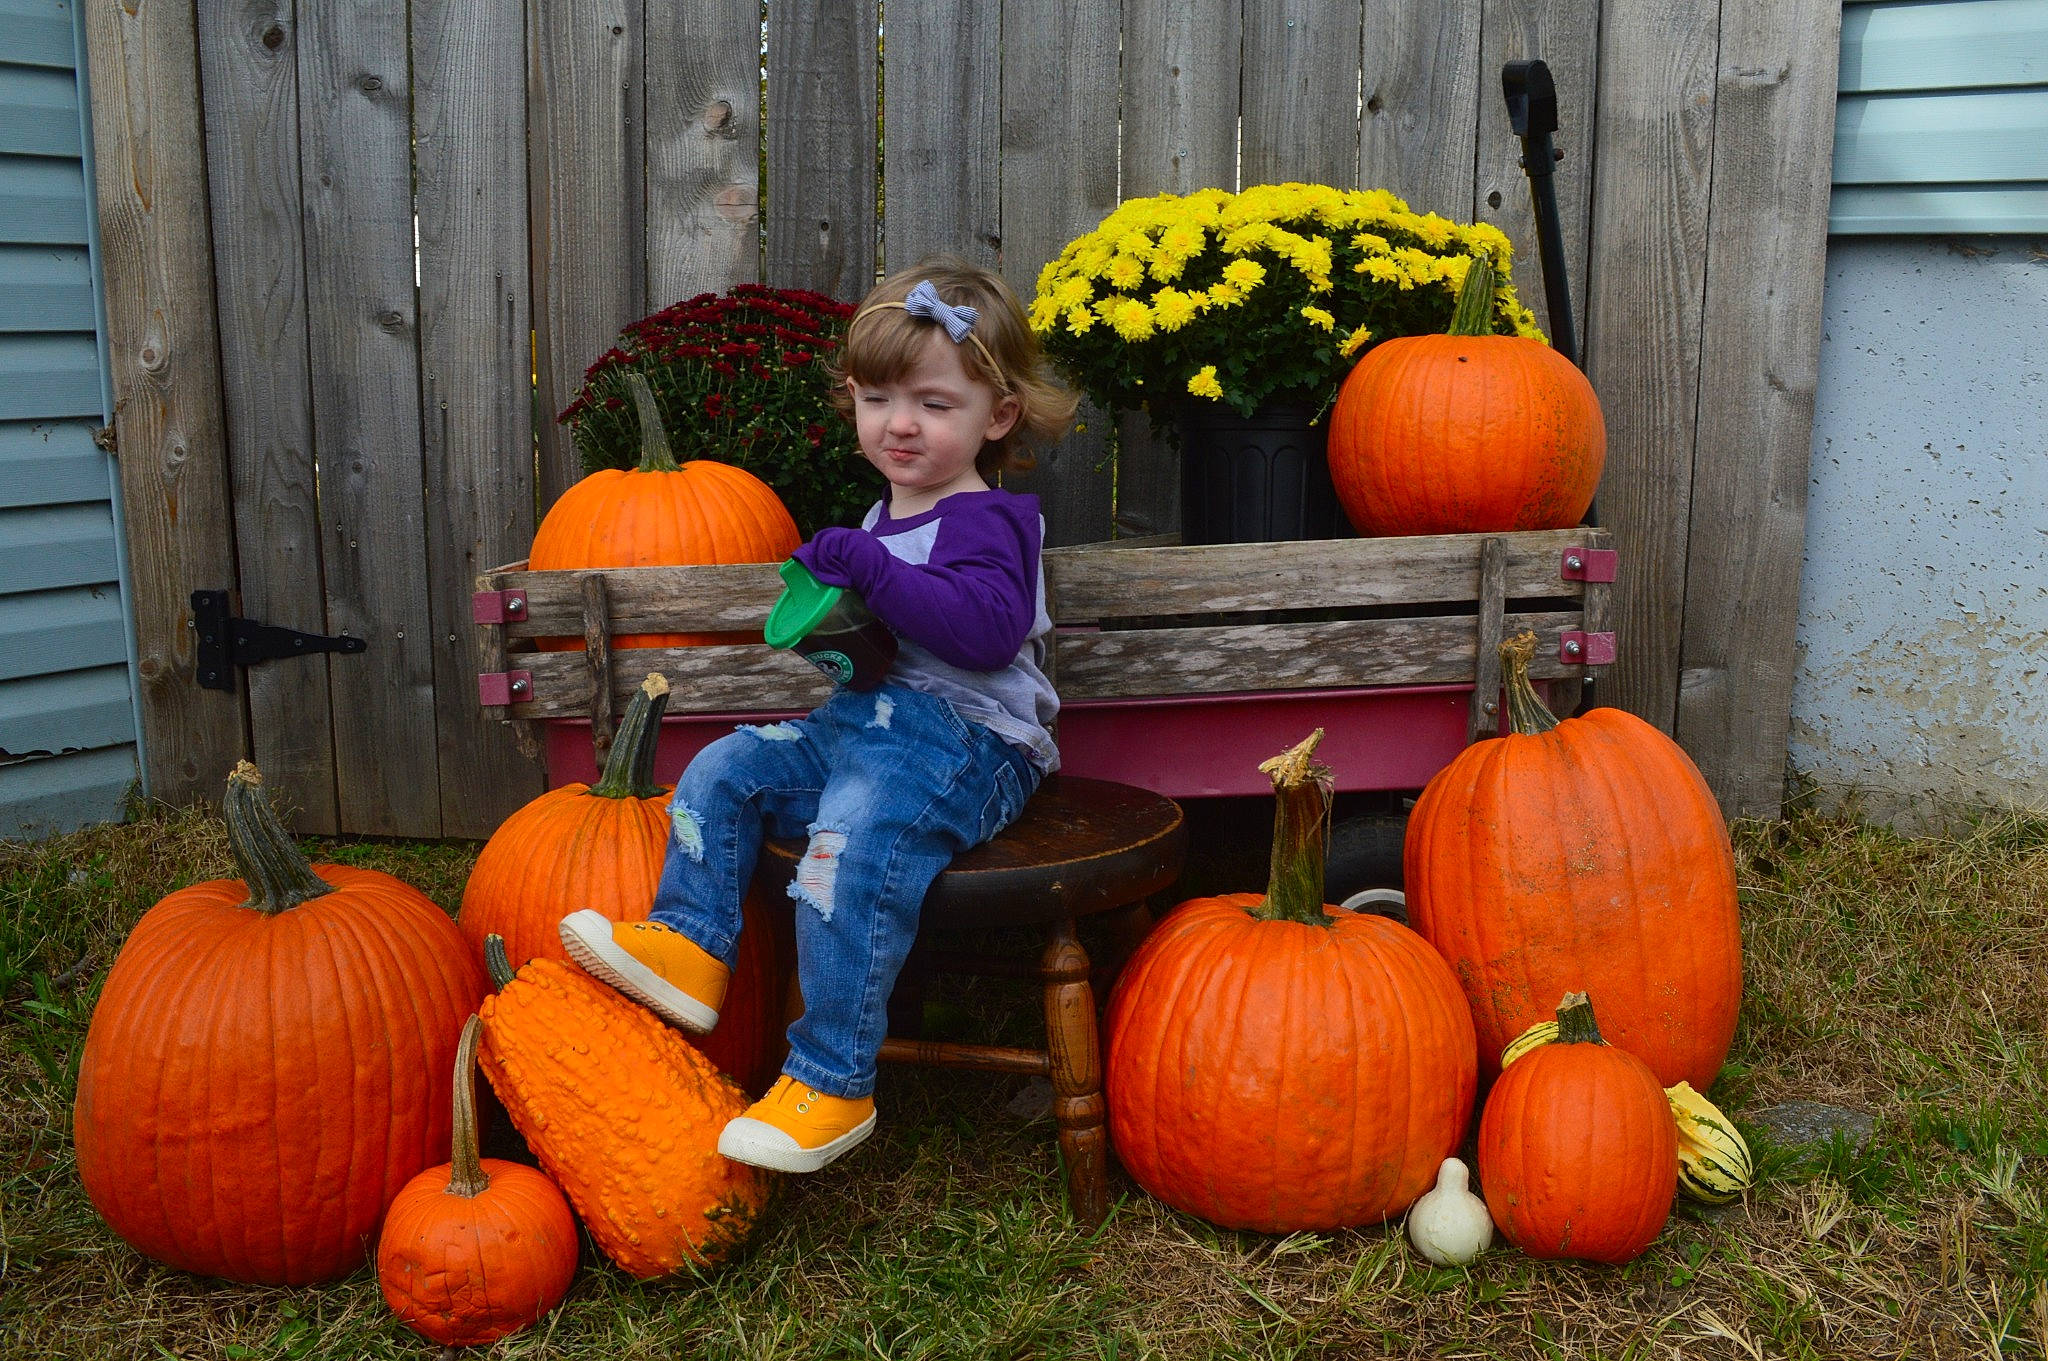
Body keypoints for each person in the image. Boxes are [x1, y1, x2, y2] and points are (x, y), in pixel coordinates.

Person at [559, 256, 1078, 1173]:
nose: (901, 423)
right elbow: (884, 648)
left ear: (996, 417)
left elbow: (988, 634)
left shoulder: (987, 521)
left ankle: (832, 1079)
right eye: (878, 398)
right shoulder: (889, 512)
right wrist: (835, 628)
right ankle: (690, 942)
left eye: (933, 402)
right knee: (727, 764)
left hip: (970, 746)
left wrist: (873, 574)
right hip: (873, 724)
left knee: (847, 842)